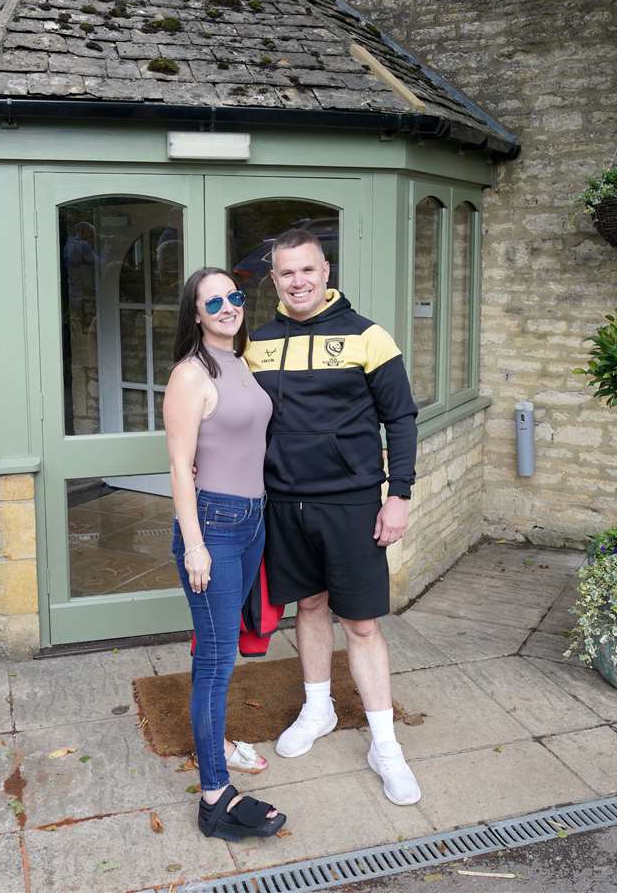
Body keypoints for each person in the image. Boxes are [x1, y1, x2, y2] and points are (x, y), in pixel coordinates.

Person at [244, 228, 422, 805]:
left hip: (351, 499)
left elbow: (401, 419)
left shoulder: (368, 337)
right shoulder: (259, 343)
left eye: (307, 270)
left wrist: (400, 495)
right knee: (309, 605)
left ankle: (385, 744)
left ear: (326, 272)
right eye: (286, 273)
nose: (297, 281)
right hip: (283, 499)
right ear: (274, 279)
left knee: (363, 624)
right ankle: (317, 709)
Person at [164, 266, 286, 841]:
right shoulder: (190, 375)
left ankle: (219, 747)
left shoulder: (239, 362)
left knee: (219, 654)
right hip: (214, 524)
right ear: (195, 313)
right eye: (213, 303)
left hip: (252, 519)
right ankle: (214, 797)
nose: (227, 308)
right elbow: (179, 467)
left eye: (234, 297)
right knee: (215, 662)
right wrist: (194, 545)